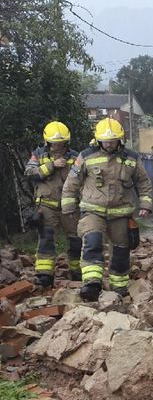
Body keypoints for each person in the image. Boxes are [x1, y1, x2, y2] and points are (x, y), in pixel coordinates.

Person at [61, 118, 152, 301]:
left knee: (121, 250)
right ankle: (92, 283)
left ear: (120, 139)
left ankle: (119, 287)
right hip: (93, 211)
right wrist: (69, 206)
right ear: (97, 139)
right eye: (105, 140)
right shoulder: (86, 156)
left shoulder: (131, 158)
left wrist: (146, 204)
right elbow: (72, 182)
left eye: (113, 140)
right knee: (92, 242)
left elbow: (143, 183)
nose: (109, 144)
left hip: (121, 213)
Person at [24, 121, 81, 288]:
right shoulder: (39, 154)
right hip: (47, 206)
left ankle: (77, 273)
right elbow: (29, 172)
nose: (58, 147)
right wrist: (51, 166)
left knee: (76, 240)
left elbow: (84, 177)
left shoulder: (75, 157)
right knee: (46, 239)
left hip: (70, 207)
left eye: (61, 143)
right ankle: (44, 276)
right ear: (47, 141)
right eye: (55, 144)